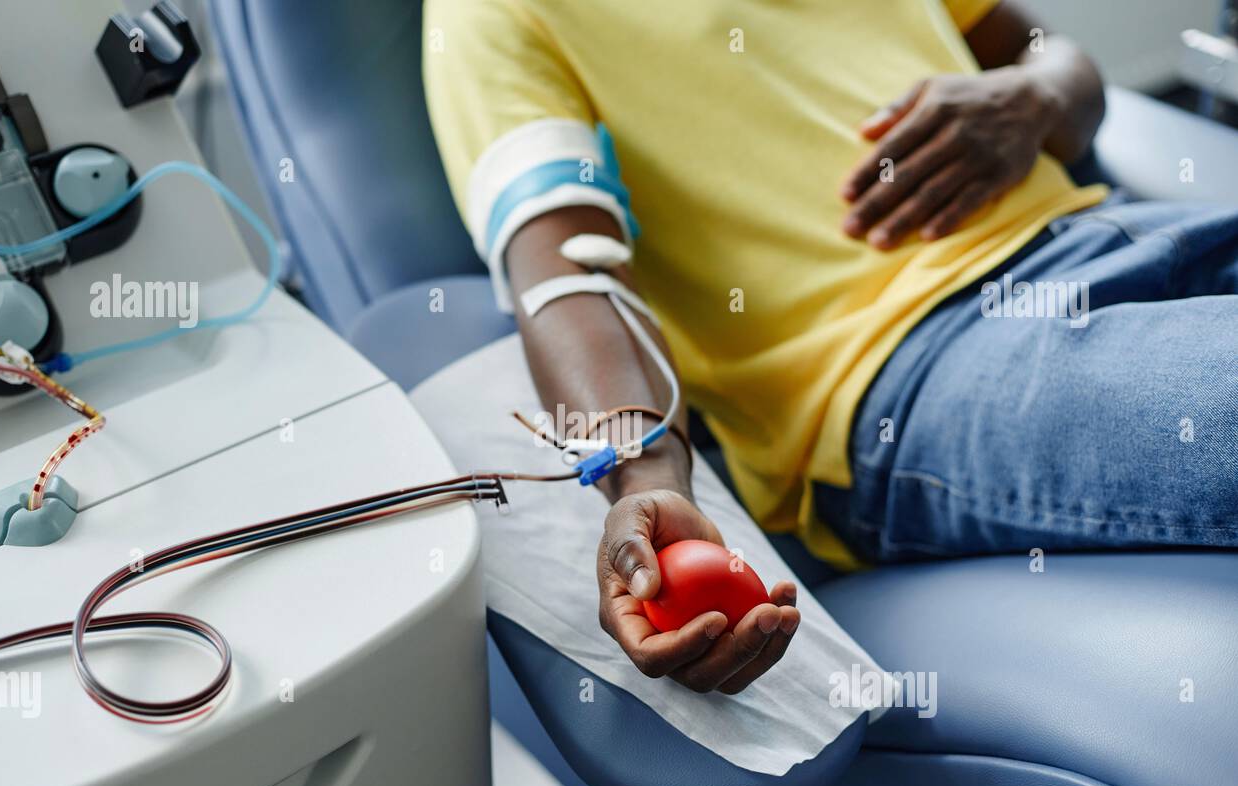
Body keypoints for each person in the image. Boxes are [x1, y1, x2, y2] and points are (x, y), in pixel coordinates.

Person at [423, 0, 1238, 693]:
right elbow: (569, 279)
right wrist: (647, 475)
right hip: (914, 367)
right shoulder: (493, 15)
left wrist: (1032, 95)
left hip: (1109, 229)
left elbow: (1045, 54)